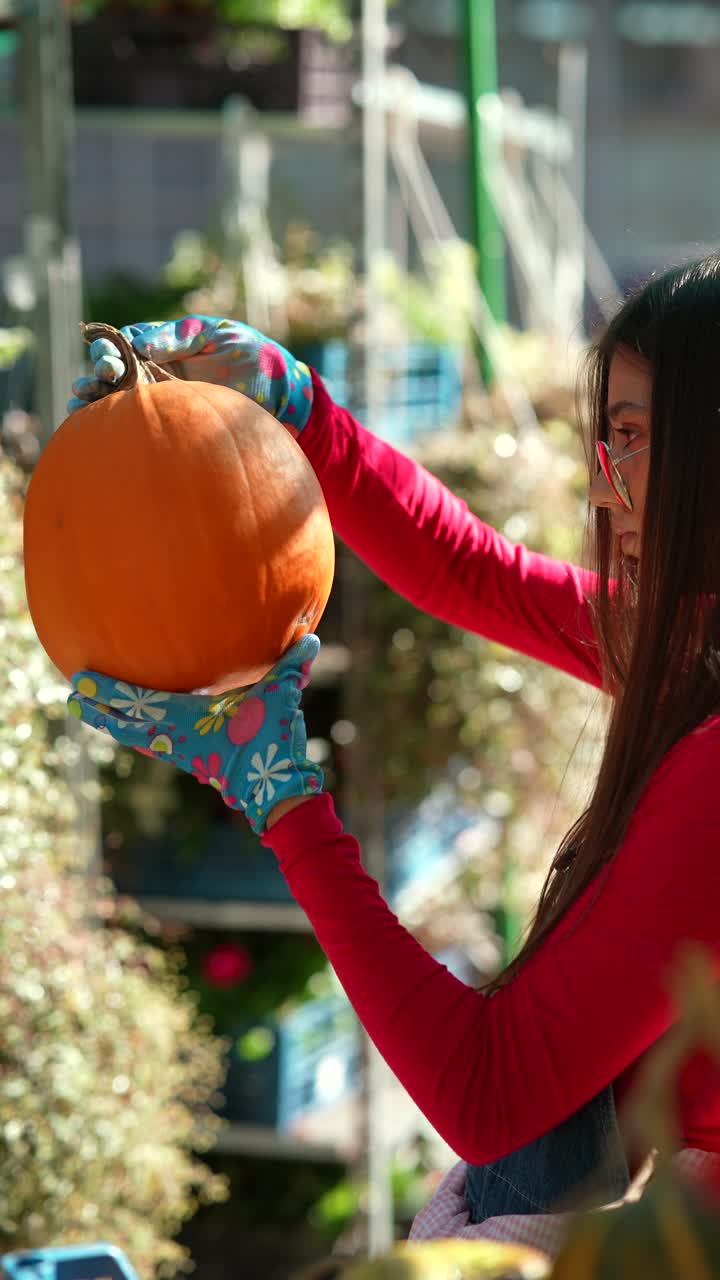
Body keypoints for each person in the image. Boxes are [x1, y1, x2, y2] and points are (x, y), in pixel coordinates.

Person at [65, 257, 720, 1253]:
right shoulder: (687, 643)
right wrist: (296, 404)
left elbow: (491, 1087)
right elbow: (472, 568)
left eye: (630, 437)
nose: (605, 482)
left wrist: (283, 799)